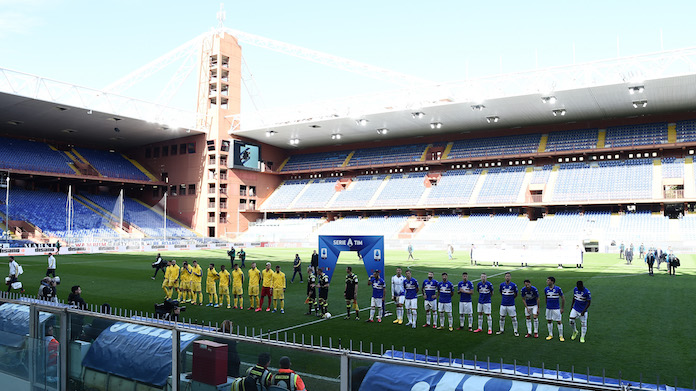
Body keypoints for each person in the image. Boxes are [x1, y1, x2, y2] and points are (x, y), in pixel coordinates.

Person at [497, 272, 519, 336]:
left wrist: (511, 298)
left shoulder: (513, 285)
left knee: (513, 318)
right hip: (503, 304)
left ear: (510, 277)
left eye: (508, 276)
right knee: (502, 317)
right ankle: (501, 330)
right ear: (505, 277)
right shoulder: (502, 285)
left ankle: (515, 331)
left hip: (511, 304)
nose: (507, 277)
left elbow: (516, 294)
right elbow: (501, 292)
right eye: (506, 276)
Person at [544, 276, 565, 341]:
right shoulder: (546, 289)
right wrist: (547, 305)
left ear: (552, 281)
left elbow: (563, 298)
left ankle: (561, 336)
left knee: (559, 321)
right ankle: (550, 335)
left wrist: (562, 308)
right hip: (549, 308)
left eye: (548, 280)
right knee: (549, 320)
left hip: (556, 308)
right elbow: (546, 298)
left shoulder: (558, 289)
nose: (547, 281)